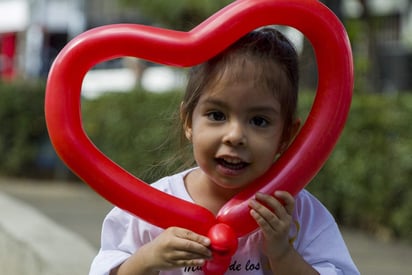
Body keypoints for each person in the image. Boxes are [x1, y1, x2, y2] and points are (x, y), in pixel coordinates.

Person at [89, 27, 359, 275]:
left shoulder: (299, 214)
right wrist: (148, 258)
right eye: (217, 115)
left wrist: (283, 253)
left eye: (259, 121)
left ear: (286, 135)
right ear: (188, 121)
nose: (235, 136)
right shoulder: (147, 208)